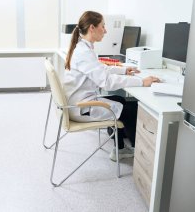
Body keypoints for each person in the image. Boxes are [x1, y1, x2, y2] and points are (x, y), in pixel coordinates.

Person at [63, 11, 159, 161]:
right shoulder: (83, 53)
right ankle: (140, 153)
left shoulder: (84, 48)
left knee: (120, 101)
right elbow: (106, 82)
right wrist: (141, 82)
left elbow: (101, 69)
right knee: (132, 109)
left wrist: (123, 70)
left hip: (80, 103)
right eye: (103, 26)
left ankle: (119, 149)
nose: (106, 30)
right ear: (92, 28)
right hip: (81, 108)